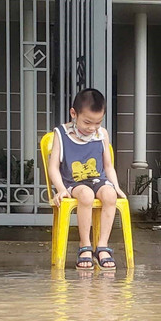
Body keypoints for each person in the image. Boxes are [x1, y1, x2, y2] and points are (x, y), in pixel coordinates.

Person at [48, 88, 126, 270]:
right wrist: (60, 189)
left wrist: (116, 186)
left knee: (109, 195)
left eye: (98, 123)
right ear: (73, 113)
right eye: (87, 122)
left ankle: (102, 247)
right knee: (86, 195)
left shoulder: (102, 135)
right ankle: (85, 246)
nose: (92, 128)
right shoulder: (61, 133)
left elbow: (108, 166)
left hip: (97, 179)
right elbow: (53, 167)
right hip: (73, 182)